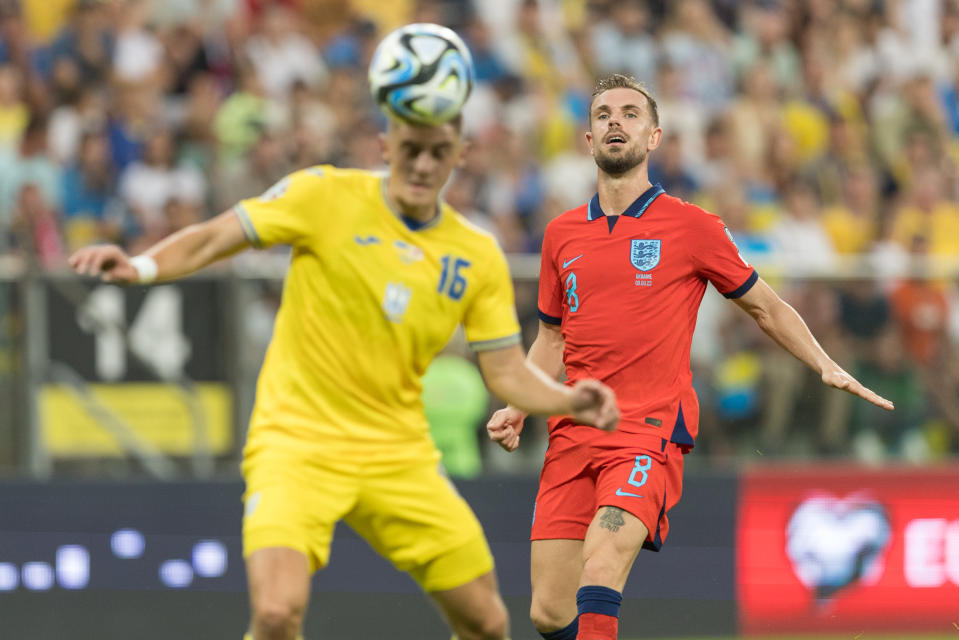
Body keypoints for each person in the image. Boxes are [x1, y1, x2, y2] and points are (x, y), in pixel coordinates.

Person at [68, 112, 620, 639]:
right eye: (410, 150)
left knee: (487, 623)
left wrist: (569, 401)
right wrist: (141, 266)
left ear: (461, 155)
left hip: (397, 452)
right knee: (277, 612)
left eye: (437, 153)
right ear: (385, 146)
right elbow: (216, 237)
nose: (423, 165)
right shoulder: (323, 195)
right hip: (296, 441)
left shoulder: (475, 254)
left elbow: (504, 372)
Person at [486, 74, 894, 640]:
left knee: (601, 567)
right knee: (549, 612)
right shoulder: (560, 234)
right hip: (572, 432)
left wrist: (823, 362)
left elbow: (766, 307)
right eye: (604, 114)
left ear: (653, 137)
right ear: (587, 138)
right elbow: (552, 339)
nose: (615, 122)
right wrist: (521, 403)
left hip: (647, 428)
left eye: (630, 114)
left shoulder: (691, 226)